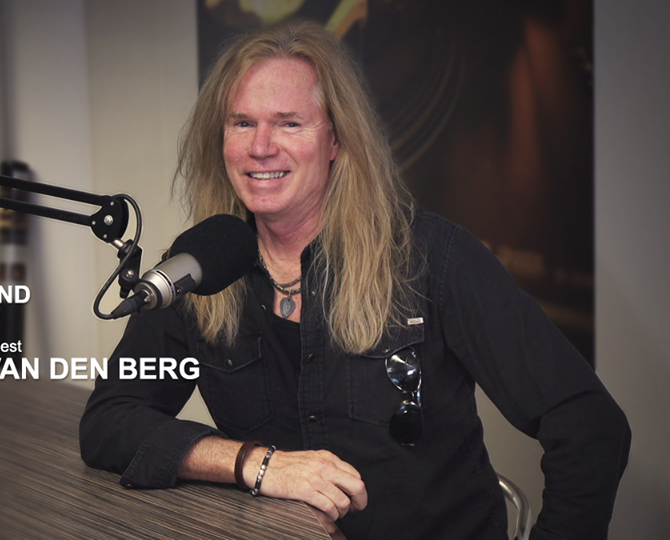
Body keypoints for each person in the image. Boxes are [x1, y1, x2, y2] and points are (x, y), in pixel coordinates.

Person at [79, 21, 629, 540]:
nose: (260, 147)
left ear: (336, 140)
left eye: (289, 123)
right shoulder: (197, 267)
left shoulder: (435, 257)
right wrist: (253, 463)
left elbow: (589, 427)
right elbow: (109, 421)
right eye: (242, 123)